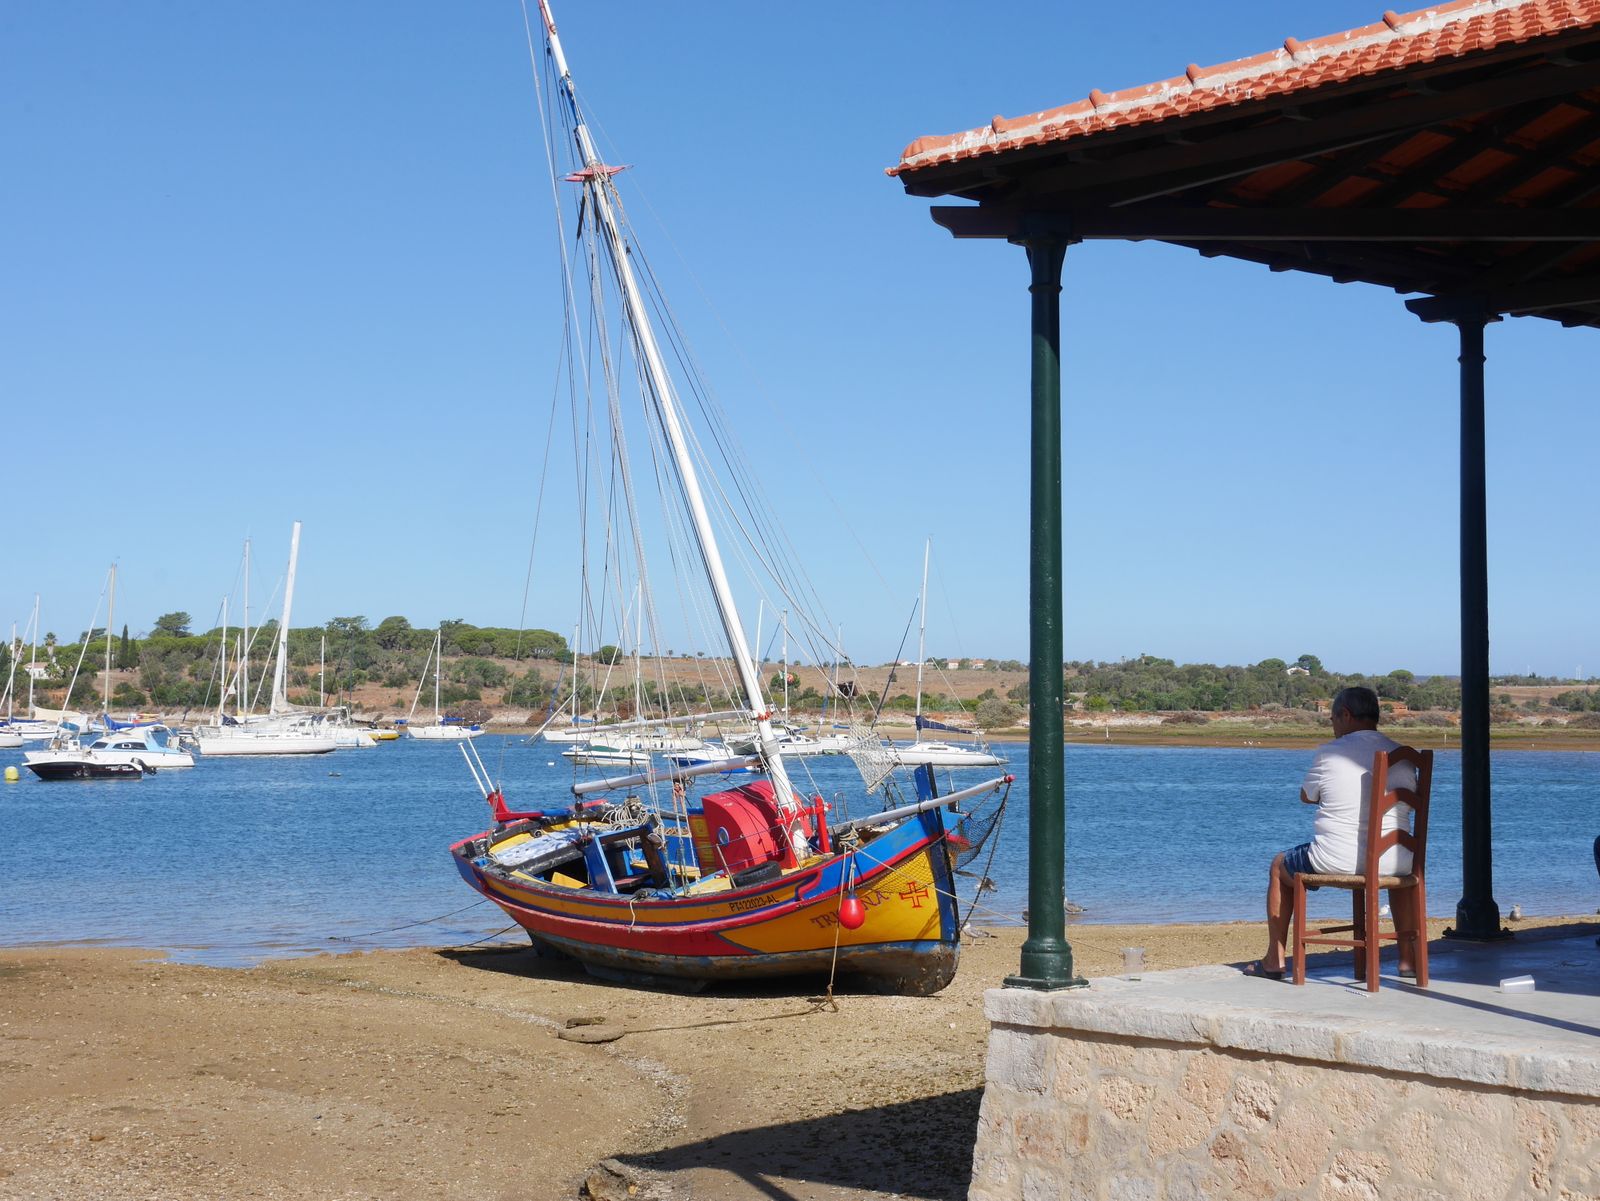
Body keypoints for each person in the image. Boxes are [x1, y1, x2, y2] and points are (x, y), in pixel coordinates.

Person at [1248, 686, 1419, 981]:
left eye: (1333, 719)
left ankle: (1275, 958)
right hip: (1399, 862)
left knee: (1279, 866)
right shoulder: (1405, 756)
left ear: (1346, 715)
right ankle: (1407, 960)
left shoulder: (1330, 753)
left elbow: (1307, 796)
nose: (1333, 725)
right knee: (1393, 877)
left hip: (1339, 860)